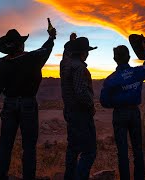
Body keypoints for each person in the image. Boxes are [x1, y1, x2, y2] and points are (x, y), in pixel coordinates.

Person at [0, 26, 56, 180]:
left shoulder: (1, 63)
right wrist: (51, 37)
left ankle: (0, 176)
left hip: (9, 105)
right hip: (28, 105)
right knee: (29, 147)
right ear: (21, 45)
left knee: (5, 144)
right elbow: (45, 49)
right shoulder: (32, 58)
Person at [100, 41, 145, 180]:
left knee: (122, 151)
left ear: (115, 59)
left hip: (119, 114)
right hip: (134, 113)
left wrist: (117, 102)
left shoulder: (111, 80)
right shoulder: (137, 72)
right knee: (137, 149)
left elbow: (104, 101)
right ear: (128, 57)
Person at [60, 36, 97, 180]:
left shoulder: (64, 64)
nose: (88, 54)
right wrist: (91, 105)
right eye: (87, 51)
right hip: (81, 114)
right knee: (89, 151)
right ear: (83, 53)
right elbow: (81, 92)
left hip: (69, 111)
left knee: (73, 149)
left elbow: (65, 55)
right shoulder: (79, 68)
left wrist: (71, 41)